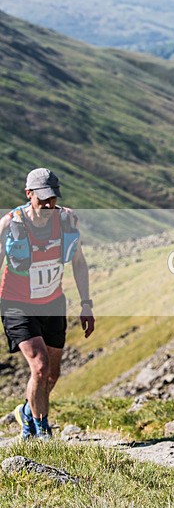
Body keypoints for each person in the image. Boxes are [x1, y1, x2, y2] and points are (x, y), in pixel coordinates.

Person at [0, 168, 95, 440]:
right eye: (42, 198)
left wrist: (86, 304)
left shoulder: (66, 221)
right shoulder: (10, 225)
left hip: (53, 302)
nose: (48, 204)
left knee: (52, 375)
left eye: (52, 198)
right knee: (39, 366)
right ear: (28, 194)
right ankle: (42, 431)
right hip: (17, 304)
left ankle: (26, 412)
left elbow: (78, 262)